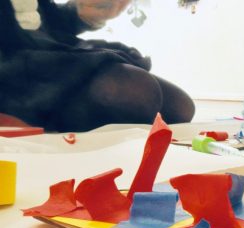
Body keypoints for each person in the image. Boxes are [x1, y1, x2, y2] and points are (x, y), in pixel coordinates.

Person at [0, 0, 195, 132]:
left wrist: (82, 14)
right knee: (136, 93)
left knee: (180, 107)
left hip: (43, 52)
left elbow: (39, 22)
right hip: (10, 71)